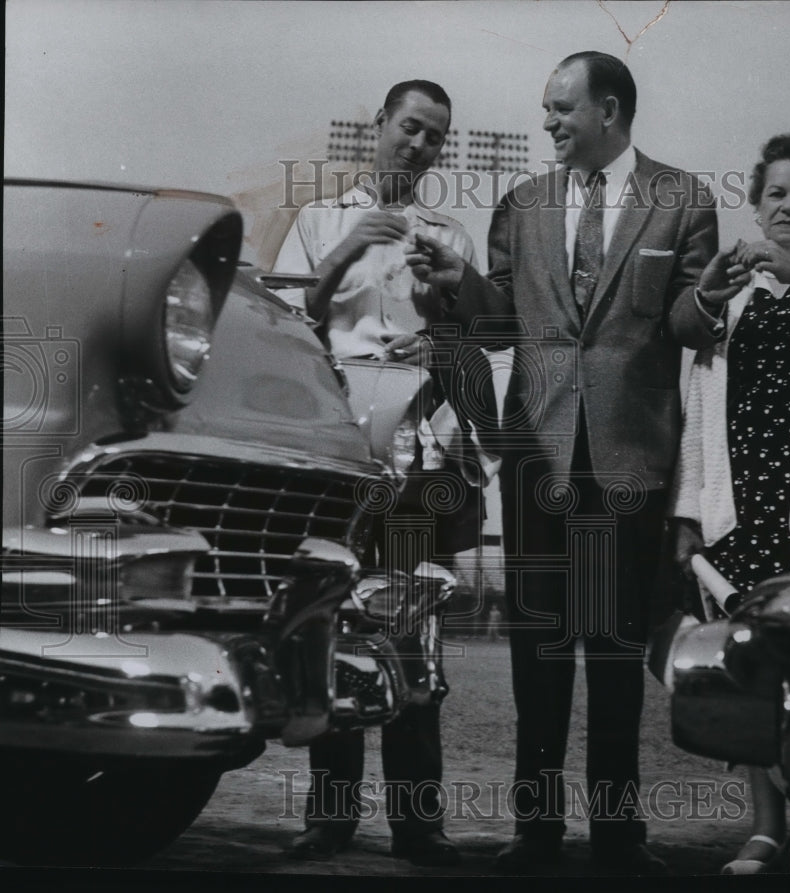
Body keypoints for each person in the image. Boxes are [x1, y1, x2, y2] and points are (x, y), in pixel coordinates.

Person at [407, 52, 732, 875]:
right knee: (539, 653)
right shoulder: (521, 205)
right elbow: (499, 320)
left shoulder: (684, 199)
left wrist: (710, 299)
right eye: (547, 108)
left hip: (631, 460)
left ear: (609, 111)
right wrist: (459, 284)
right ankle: (537, 830)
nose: (547, 121)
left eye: (560, 108)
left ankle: (620, 835)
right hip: (537, 458)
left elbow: (690, 323)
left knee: (619, 653)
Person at [272, 79, 496, 868]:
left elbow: (476, 347)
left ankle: (418, 820)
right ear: (378, 127)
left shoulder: (449, 236)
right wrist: (342, 250)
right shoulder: (317, 218)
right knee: (333, 623)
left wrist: (441, 345)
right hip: (336, 443)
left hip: (414, 445)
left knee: (407, 626)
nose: (420, 145)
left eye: (436, 135)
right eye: (410, 127)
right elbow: (285, 325)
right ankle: (330, 816)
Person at [669, 132, 790, 874]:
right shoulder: (730, 293)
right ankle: (765, 826)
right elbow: (698, 407)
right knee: (749, 678)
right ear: (756, 199)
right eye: (777, 193)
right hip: (738, 509)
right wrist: (687, 514)